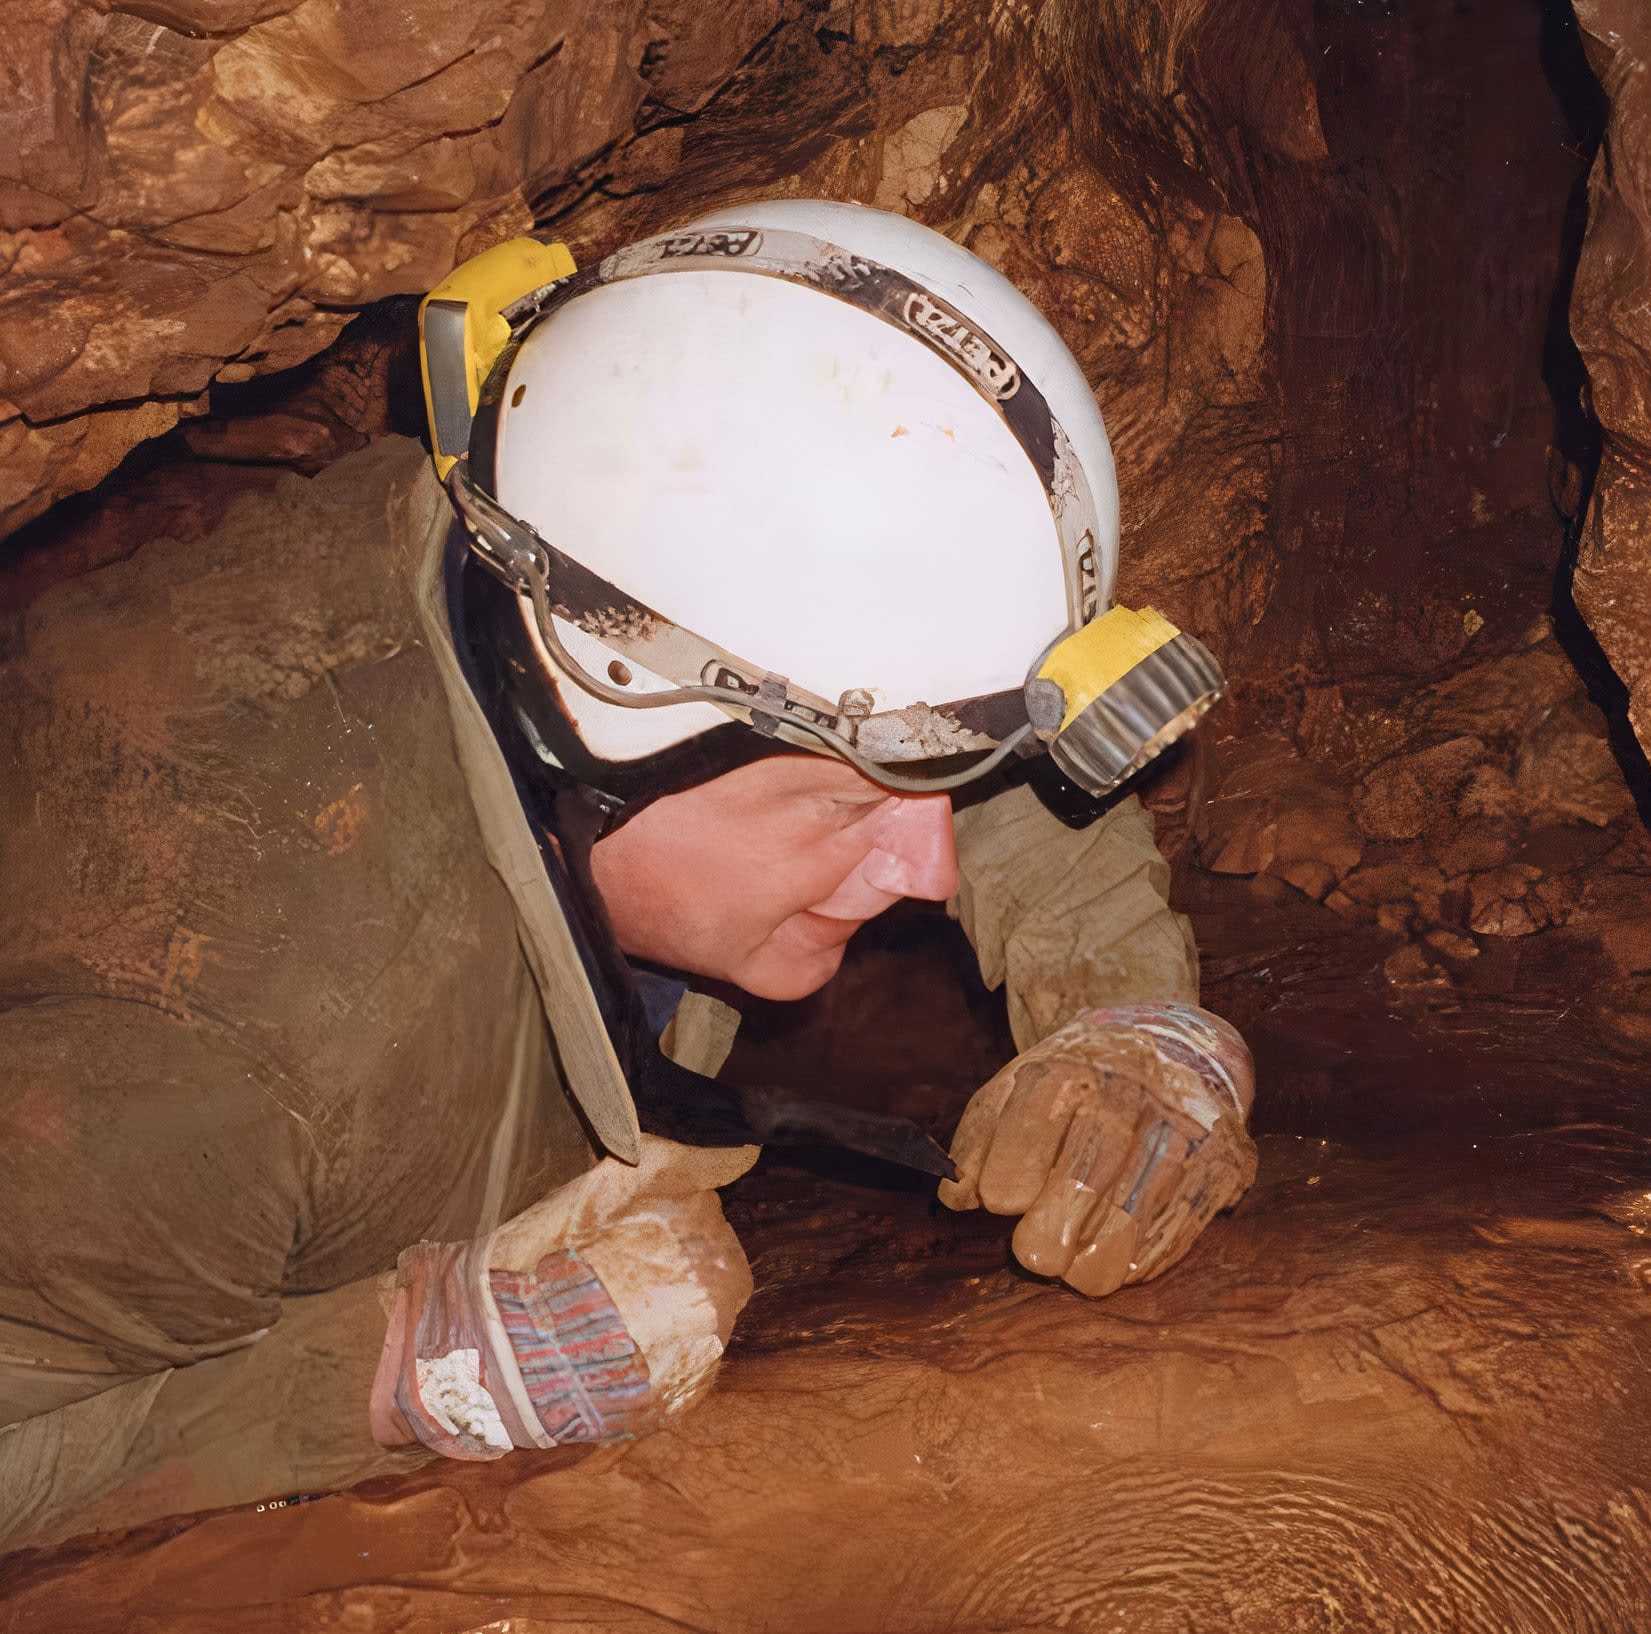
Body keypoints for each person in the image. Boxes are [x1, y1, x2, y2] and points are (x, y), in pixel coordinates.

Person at [0, 200, 1256, 1548]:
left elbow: (960, 734)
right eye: (851, 804)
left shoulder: (577, 556)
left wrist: (1127, 1016)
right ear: (605, 715)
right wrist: (412, 1368)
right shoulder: (221, 1071)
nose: (925, 862)